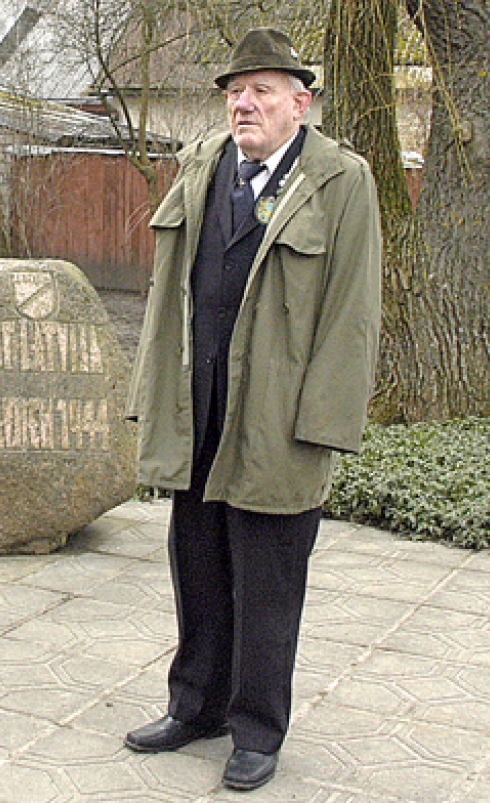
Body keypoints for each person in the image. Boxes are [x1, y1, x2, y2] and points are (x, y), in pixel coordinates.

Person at [123, 29, 381, 791]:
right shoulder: (202, 164)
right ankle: (194, 705)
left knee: (268, 581)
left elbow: (353, 312)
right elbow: (166, 292)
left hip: (278, 417)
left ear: (300, 103)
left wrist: (324, 429)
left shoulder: (342, 180)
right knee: (197, 566)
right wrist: (152, 395)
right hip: (198, 406)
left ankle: (257, 727)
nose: (244, 103)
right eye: (236, 90)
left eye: (263, 90)